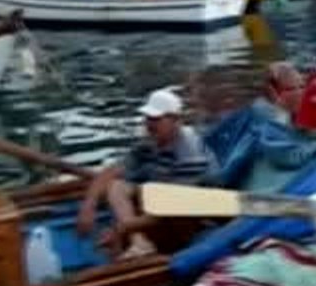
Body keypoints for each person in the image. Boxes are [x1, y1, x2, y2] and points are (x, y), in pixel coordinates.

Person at [76, 89, 219, 259]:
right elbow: (112, 171)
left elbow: (173, 207)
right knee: (117, 186)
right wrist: (89, 205)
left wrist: (123, 229)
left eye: (156, 120)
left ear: (175, 120)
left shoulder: (190, 153)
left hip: (192, 215)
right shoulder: (151, 142)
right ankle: (140, 242)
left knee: (151, 198)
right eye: (148, 119)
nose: (149, 124)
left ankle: (148, 243)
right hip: (161, 202)